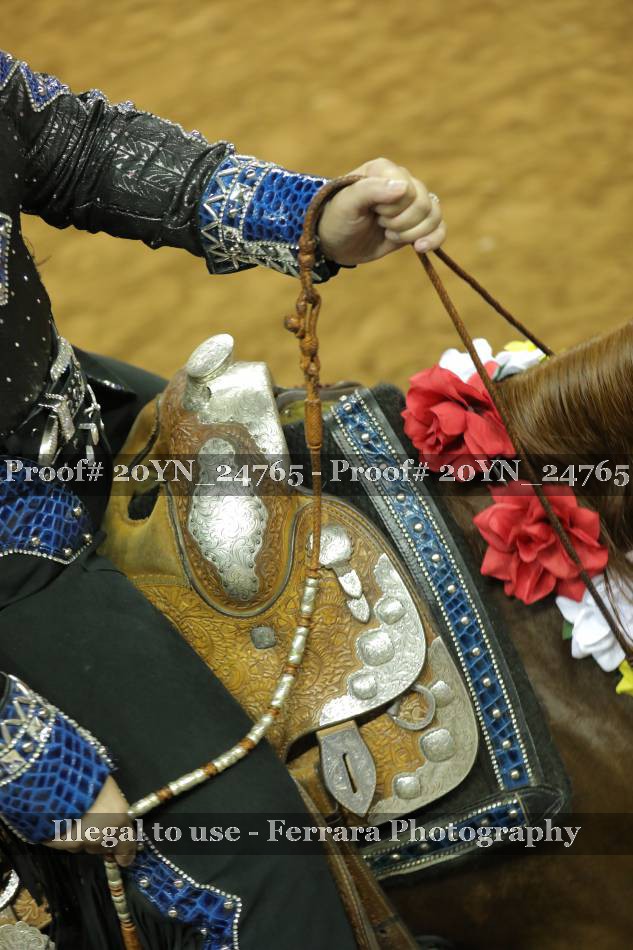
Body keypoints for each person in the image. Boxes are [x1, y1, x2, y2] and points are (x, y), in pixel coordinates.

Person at [0, 49, 446, 949]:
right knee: (257, 867)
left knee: (369, 477)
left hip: (70, 415)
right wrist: (18, 753)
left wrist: (310, 217)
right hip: (14, 554)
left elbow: (77, 146)